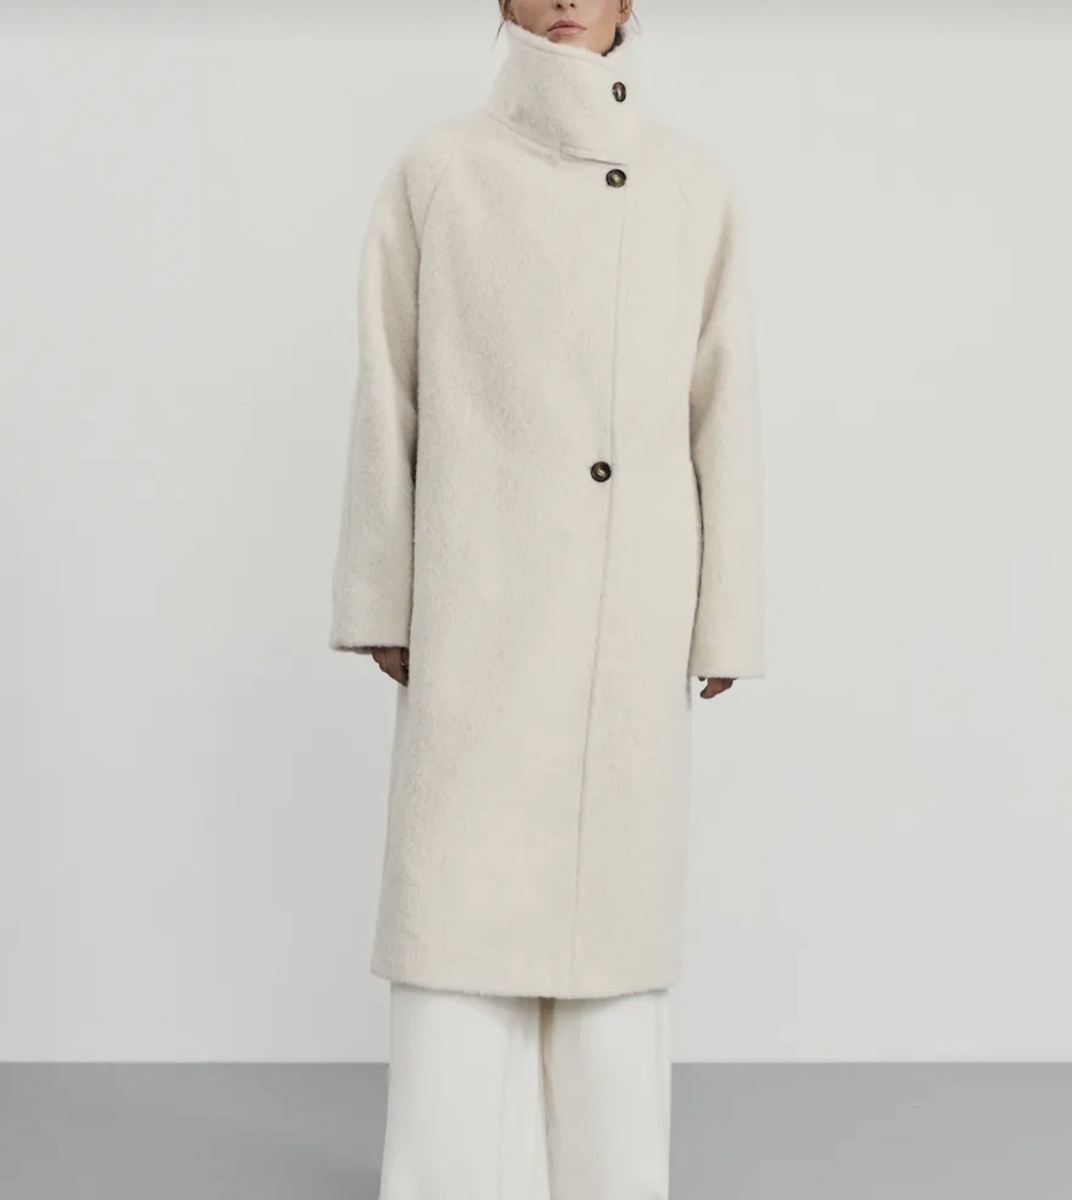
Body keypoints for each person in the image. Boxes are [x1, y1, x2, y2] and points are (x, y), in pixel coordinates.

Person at [329, 1, 765, 1195]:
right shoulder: (439, 172)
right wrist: (381, 595)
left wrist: (726, 610)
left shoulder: (692, 187)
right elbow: (387, 389)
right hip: (479, 593)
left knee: (610, 915)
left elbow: (723, 406)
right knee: (457, 899)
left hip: (631, 604)